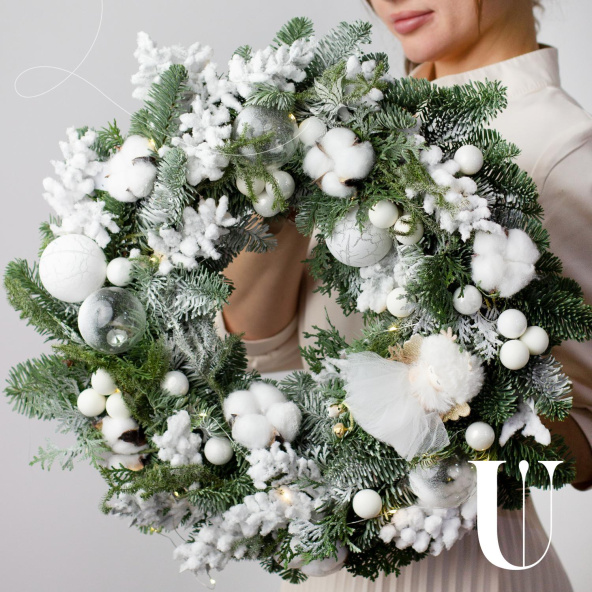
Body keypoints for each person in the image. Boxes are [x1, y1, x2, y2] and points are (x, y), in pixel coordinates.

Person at [215, 1, 592, 589]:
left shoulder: (557, 148)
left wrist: (469, 393)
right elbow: (259, 348)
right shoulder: (358, 131)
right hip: (337, 568)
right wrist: (283, 190)